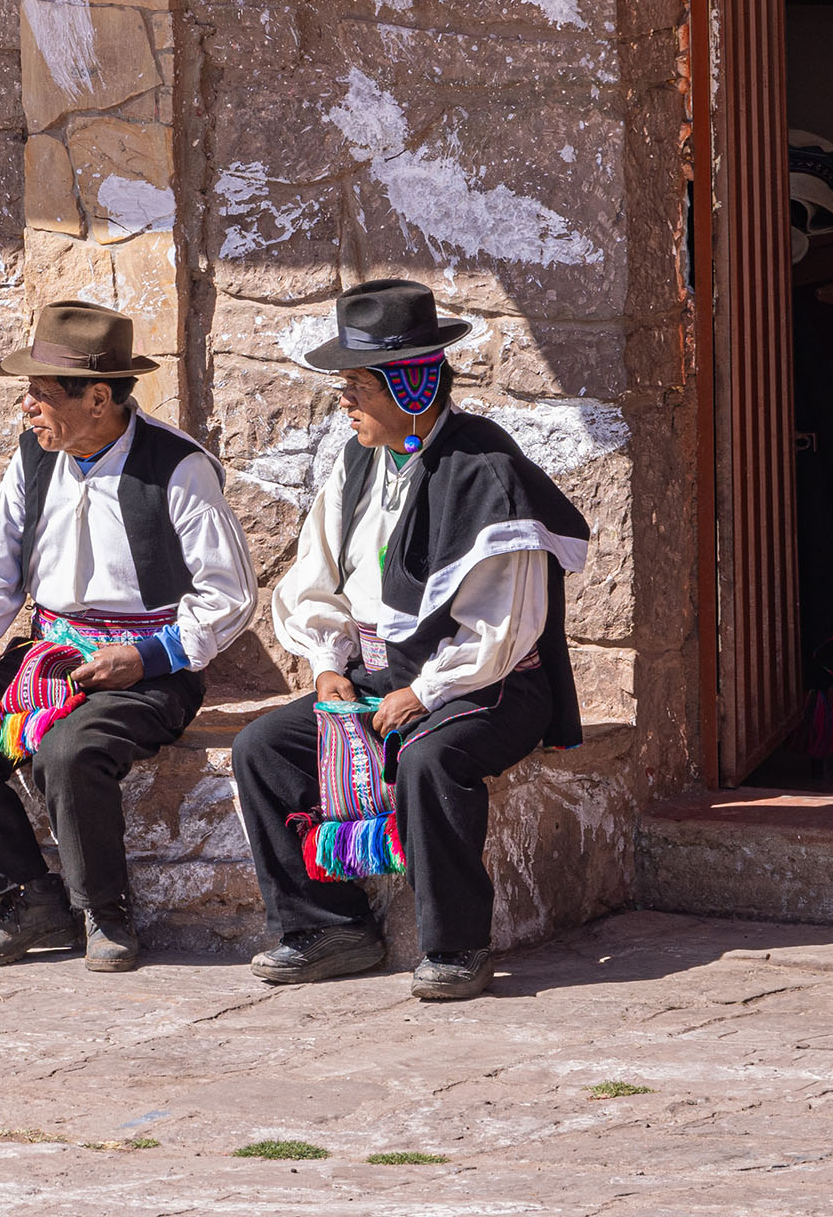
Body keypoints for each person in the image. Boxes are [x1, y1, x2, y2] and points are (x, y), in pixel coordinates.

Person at [231, 279, 591, 1002]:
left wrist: (425, 692)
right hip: (379, 675)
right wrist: (327, 663)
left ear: (413, 384)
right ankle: (328, 927)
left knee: (430, 759)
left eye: (358, 386)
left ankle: (457, 947)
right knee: (263, 747)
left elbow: (504, 625)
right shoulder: (358, 462)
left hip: (486, 683)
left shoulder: (486, 472)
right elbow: (318, 572)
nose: (344, 401)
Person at [0, 301, 257, 973]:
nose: (27, 407)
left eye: (41, 393)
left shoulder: (177, 467)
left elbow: (229, 595)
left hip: (152, 668)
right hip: (50, 656)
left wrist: (148, 656)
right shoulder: (34, 460)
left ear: (98, 398)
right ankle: (23, 898)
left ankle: (104, 910)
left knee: (70, 751)